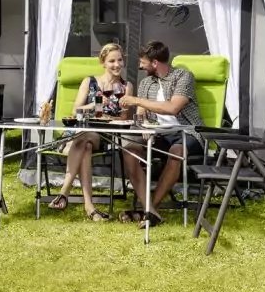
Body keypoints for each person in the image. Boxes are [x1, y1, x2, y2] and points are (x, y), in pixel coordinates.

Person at [119, 40, 204, 228]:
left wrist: (137, 100)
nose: (140, 66)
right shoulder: (146, 83)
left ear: (155, 63)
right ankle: (151, 211)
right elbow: (140, 115)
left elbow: (173, 108)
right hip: (157, 134)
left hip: (187, 132)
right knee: (130, 150)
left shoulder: (183, 77)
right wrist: (141, 125)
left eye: (143, 62)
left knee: (176, 152)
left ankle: (147, 211)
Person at [48, 43, 133, 222]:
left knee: (87, 138)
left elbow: (124, 117)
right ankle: (90, 207)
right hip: (76, 135)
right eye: (112, 61)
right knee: (85, 144)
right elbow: (76, 110)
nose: (117, 64)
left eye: (119, 60)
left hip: (103, 136)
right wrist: (97, 105)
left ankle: (64, 192)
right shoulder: (89, 81)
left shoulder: (127, 86)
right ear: (103, 62)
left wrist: (108, 117)